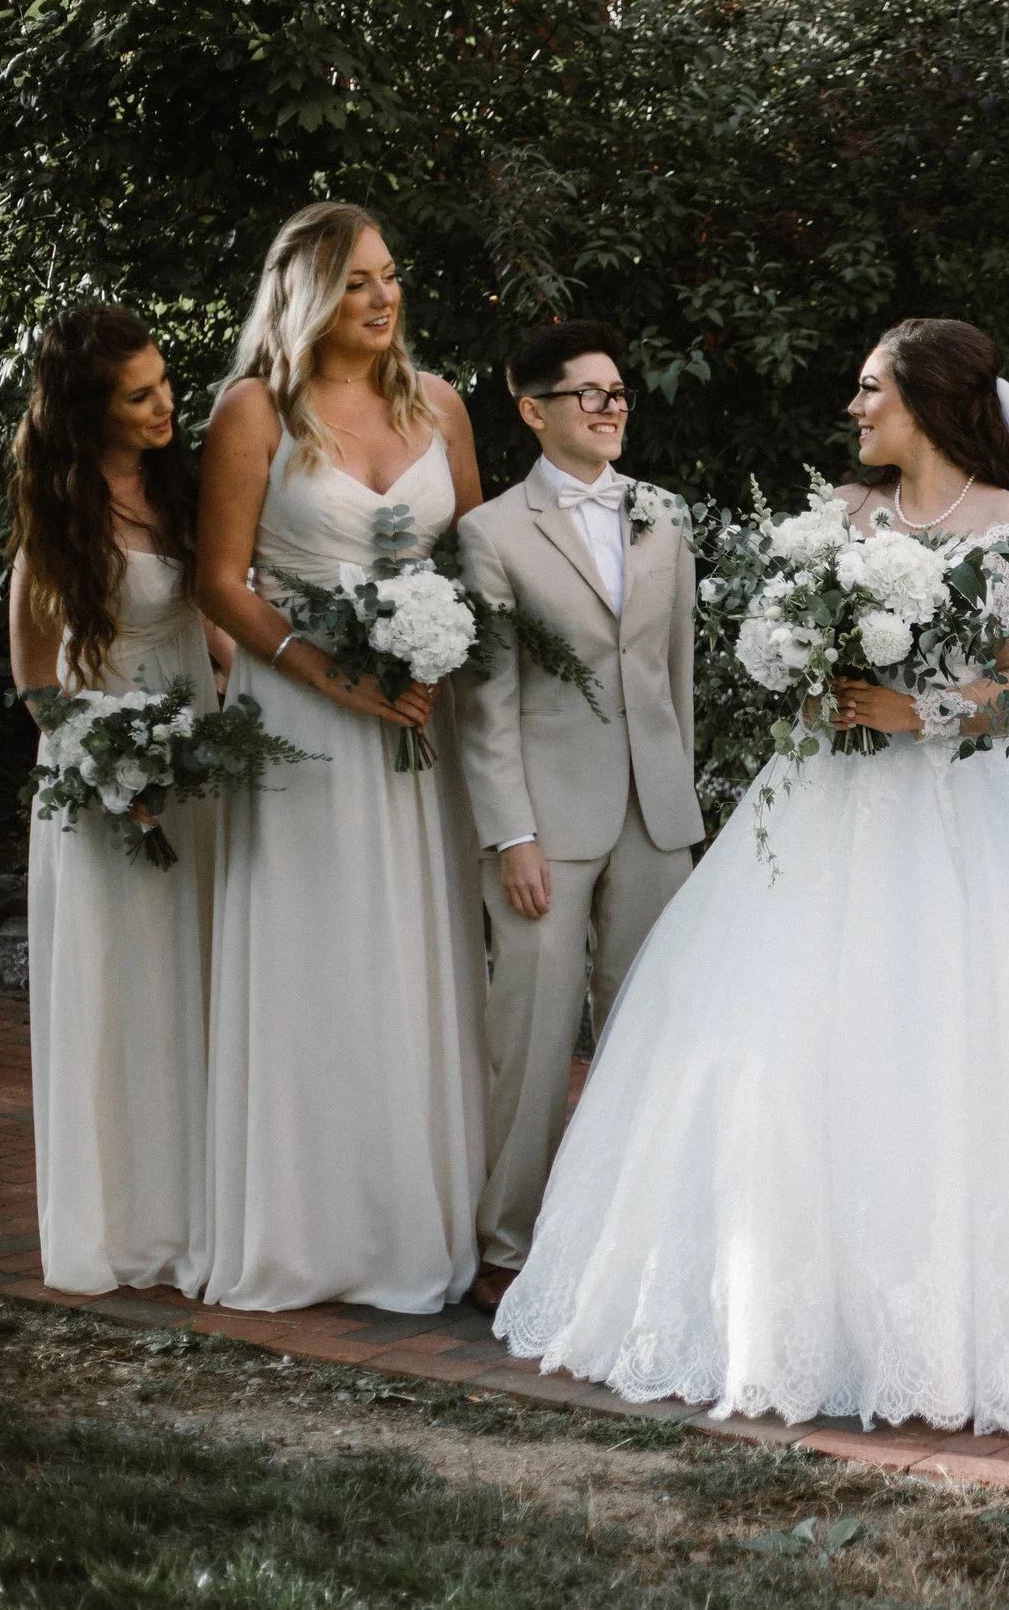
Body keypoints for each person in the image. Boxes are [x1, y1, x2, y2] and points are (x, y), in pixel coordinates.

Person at [497, 319, 1009, 1435]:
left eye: (870, 389)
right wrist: (810, 672)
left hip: (982, 818)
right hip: (831, 801)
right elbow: (788, 643)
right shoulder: (839, 518)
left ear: (924, 399)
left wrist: (918, 708)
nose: (854, 407)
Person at [193, 201, 489, 1314]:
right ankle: (313, 1228)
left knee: (415, 949)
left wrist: (440, 651)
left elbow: (475, 558)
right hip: (306, 720)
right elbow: (221, 577)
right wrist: (329, 671)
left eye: (391, 276)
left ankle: (420, 1214)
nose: (383, 297)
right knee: (320, 950)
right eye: (359, 280)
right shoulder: (253, 410)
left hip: (419, 715)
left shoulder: (441, 407)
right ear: (308, 292)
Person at [454, 320, 703, 1312]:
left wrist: (680, 796)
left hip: (657, 815)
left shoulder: (663, 516)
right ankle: (508, 1242)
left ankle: (626, 1234)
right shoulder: (491, 533)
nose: (610, 407)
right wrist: (509, 832)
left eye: (618, 392)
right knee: (533, 1035)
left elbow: (674, 669)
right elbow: (487, 699)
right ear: (533, 409)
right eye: (588, 393)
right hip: (544, 828)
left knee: (652, 1031)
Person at [10, 303, 230, 1297]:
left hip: (197, 773)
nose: (164, 403)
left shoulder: (183, 489)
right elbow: (36, 682)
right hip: (105, 792)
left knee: (196, 984)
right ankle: (121, 1222)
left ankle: (200, 1210)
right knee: (120, 996)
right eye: (138, 395)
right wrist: (105, 762)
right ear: (88, 411)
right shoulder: (60, 515)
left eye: (165, 382)